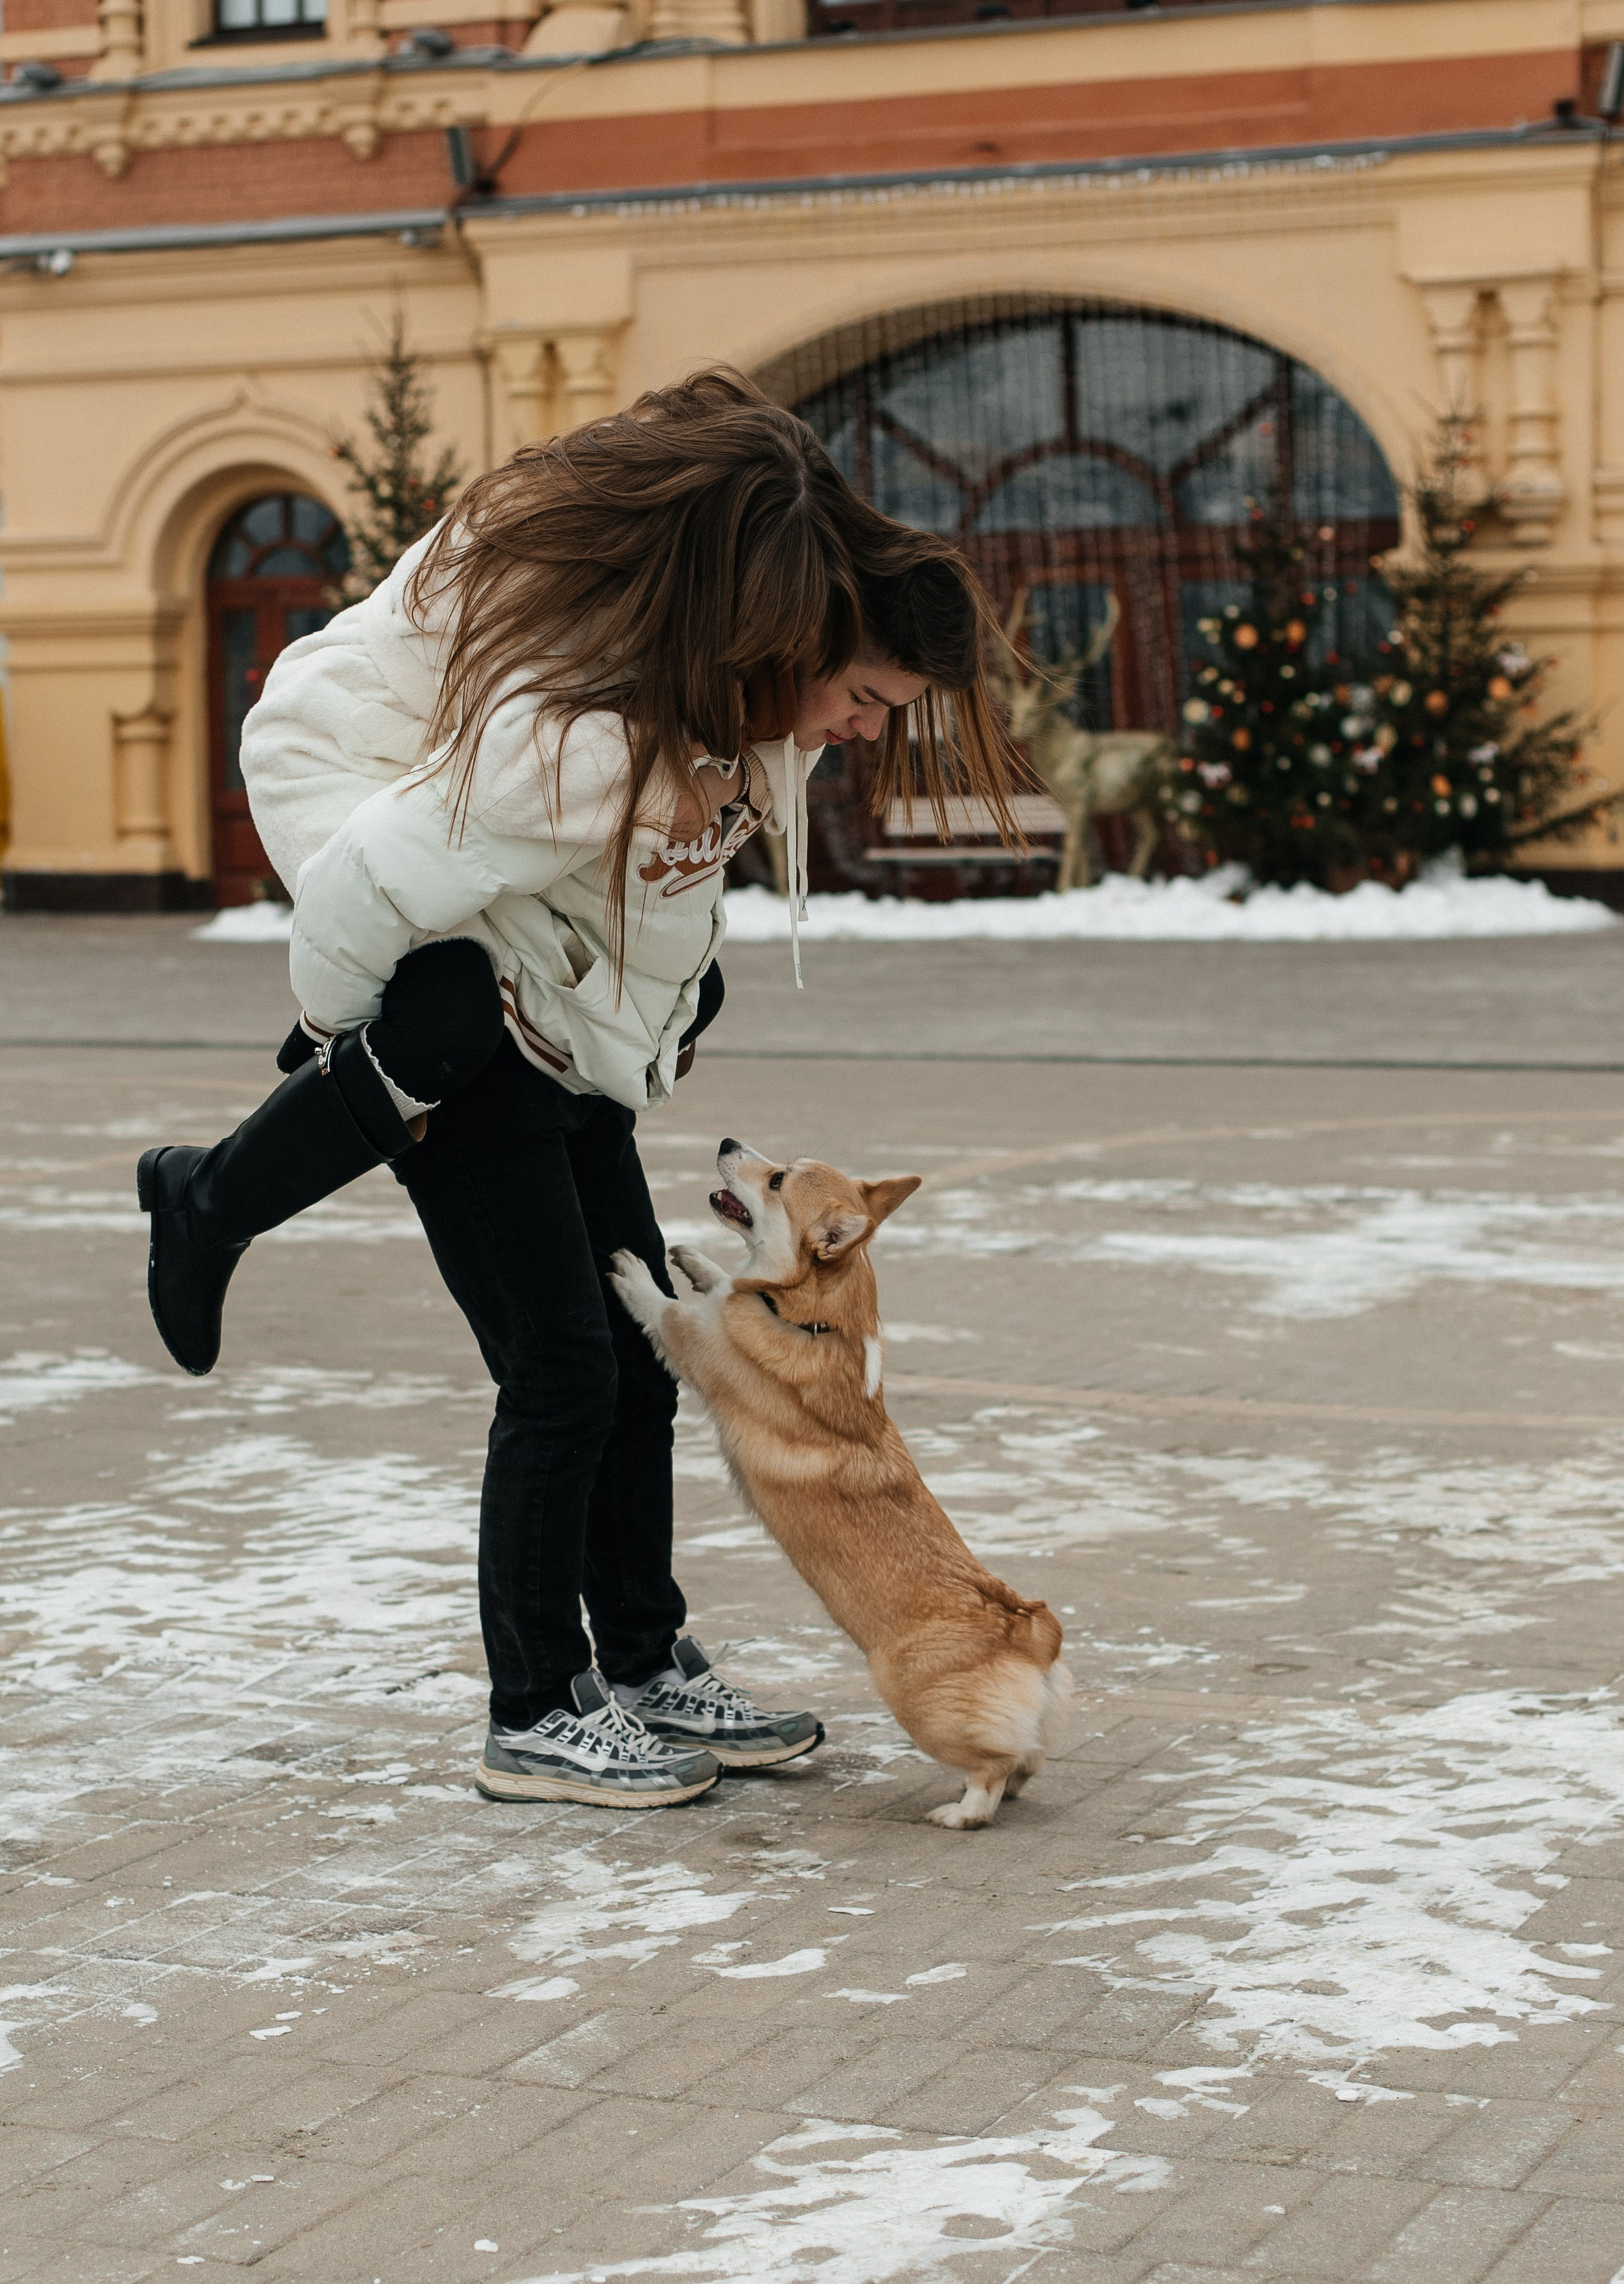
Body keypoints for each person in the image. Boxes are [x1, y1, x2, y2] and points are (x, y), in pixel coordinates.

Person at [137, 368, 1019, 1811]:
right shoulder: (577, 738)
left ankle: (643, 1658)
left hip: (522, 935)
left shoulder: (732, 701)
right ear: (806, 635)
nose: (864, 731)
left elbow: (662, 904)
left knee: (632, 1348)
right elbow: (383, 874)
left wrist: (646, 1045)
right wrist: (336, 1033)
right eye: (864, 699)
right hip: (369, 799)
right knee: (549, 1350)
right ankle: (533, 1707)